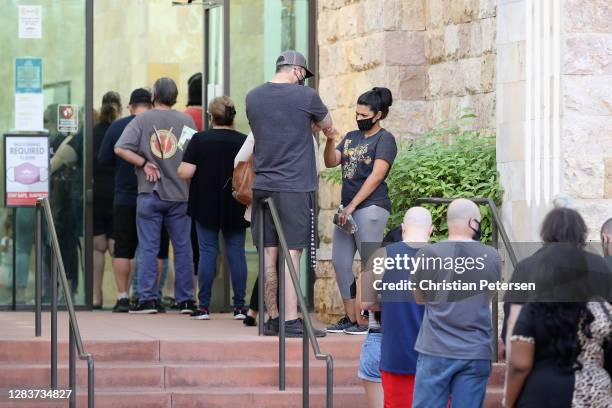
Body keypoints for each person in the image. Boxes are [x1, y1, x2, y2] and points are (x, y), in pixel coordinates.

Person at [245, 50, 332, 337]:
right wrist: (314, 125)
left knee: (269, 252)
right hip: (294, 184)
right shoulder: (306, 97)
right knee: (292, 251)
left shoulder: (253, 97)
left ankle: (273, 318)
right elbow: (329, 125)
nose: (302, 81)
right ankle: (292, 320)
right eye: (302, 76)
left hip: (263, 184)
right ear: (296, 70)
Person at [115, 77, 197, 314]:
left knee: (148, 248)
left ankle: (147, 299)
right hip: (180, 195)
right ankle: (186, 300)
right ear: (175, 97)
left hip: (149, 192)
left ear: (154, 96)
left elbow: (120, 148)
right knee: (183, 248)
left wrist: (144, 163)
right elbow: (190, 153)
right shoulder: (186, 121)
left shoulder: (142, 120)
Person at [410, 198, 501, 408]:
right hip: (475, 349)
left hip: (435, 347)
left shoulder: (427, 255)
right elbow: (489, 295)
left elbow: (419, 298)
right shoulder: (492, 256)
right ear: (472, 222)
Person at [323, 87, 397, 334]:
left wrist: (354, 205)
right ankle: (351, 318)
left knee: (369, 263)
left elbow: (377, 176)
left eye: (364, 115)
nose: (359, 118)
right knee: (340, 262)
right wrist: (332, 139)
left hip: (371, 206)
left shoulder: (385, 139)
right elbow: (331, 161)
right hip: (348, 210)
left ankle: (370, 321)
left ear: (378, 115)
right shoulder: (352, 137)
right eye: (357, 114)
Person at [178, 96, 249, 320]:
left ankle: (204, 307)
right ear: (233, 117)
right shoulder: (243, 140)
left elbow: (185, 172)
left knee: (207, 252)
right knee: (236, 252)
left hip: (205, 203)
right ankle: (239, 307)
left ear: (210, 117)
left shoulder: (200, 140)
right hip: (236, 201)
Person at [360, 207, 431, 408]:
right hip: (435, 356)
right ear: (431, 230)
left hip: (395, 354)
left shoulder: (381, 255)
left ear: (403, 228)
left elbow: (365, 304)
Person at [98, 88, 152, 312]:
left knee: (122, 248)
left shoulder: (117, 126)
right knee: (152, 248)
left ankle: (122, 297)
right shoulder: (157, 125)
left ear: (130, 106)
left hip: (124, 196)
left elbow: (103, 159)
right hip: (152, 193)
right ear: (150, 105)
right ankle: (150, 296)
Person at [92, 91, 122, 309]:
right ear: (119, 108)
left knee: (97, 247)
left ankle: (95, 297)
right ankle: (123, 294)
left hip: (96, 193)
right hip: (118, 192)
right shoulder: (122, 130)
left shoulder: (91, 131)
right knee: (117, 246)